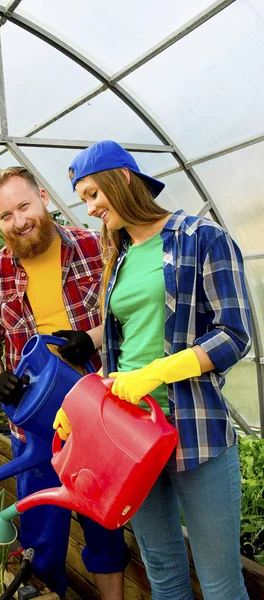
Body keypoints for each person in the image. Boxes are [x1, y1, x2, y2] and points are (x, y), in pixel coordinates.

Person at [54, 140, 252, 600]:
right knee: (162, 572)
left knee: (221, 582)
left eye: (93, 194)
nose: (91, 208)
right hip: (130, 437)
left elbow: (234, 334)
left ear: (123, 177)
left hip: (194, 431)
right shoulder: (118, 256)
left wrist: (159, 373)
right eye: (83, 200)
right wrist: (85, 407)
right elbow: (125, 349)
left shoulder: (200, 237)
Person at [0, 166, 129, 599]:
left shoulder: (96, 247)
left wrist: (93, 339)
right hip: (37, 426)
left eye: (24, 206)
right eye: (5, 216)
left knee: (104, 527)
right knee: (42, 530)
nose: (19, 221)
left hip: (99, 417)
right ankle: (45, 589)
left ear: (42, 196)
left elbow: (130, 318)